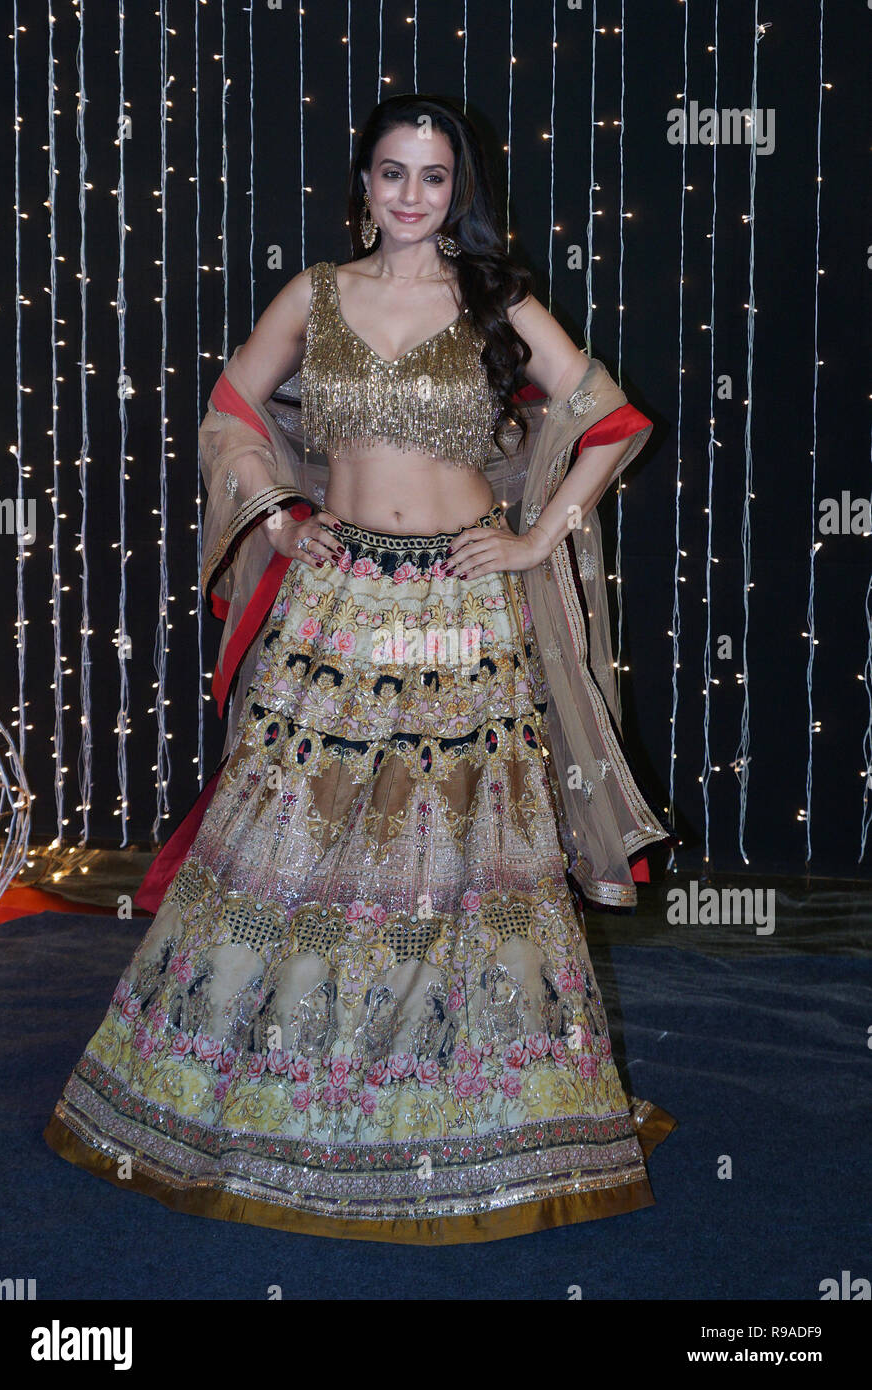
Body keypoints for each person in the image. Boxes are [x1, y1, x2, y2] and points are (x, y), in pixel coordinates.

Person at [44, 94, 677, 1244]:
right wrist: (280, 516)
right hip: (341, 601)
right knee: (294, 838)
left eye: (434, 179)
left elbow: (612, 419)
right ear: (365, 184)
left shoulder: (496, 300)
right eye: (393, 174)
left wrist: (538, 537)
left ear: (460, 192)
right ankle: (267, 1092)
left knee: (456, 850)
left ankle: (473, 1105)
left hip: (457, 602)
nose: (412, 198)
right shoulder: (317, 294)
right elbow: (231, 412)